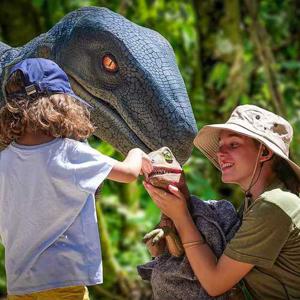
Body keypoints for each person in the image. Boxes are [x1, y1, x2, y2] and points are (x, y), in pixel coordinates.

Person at [0, 58, 153, 299]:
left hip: (20, 282)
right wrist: (136, 152)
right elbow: (129, 173)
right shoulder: (68, 152)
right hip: (63, 279)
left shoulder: (4, 160)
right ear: (61, 106)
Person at [144, 104, 300, 299]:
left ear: (265, 152)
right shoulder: (253, 203)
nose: (220, 153)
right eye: (220, 146)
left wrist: (181, 216)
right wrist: (178, 207)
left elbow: (215, 283)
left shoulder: (275, 204)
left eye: (233, 145)